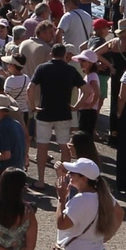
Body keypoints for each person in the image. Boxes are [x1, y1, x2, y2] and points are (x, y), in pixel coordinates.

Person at [29, 44, 85, 186]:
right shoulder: (70, 70)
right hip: (64, 113)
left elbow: (31, 87)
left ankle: (41, 180)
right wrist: (77, 106)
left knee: (42, 146)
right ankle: (64, 180)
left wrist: (33, 106)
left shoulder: (42, 68)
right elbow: (87, 90)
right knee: (64, 146)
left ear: (51, 54)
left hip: (44, 112)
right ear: (65, 54)